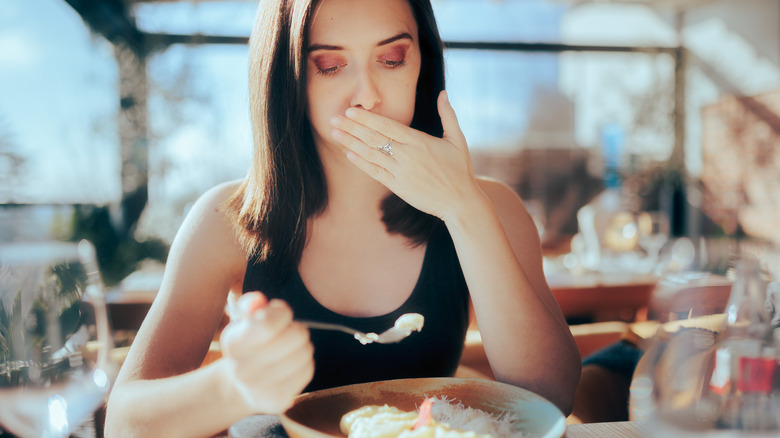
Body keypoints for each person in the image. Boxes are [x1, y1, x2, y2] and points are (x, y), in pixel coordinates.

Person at [104, 0, 581, 436]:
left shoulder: (490, 208)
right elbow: (124, 425)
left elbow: (551, 396)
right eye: (330, 66)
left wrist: (464, 209)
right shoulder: (224, 220)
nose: (367, 96)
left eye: (392, 59)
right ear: (288, 79)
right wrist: (232, 388)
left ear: (422, 65)